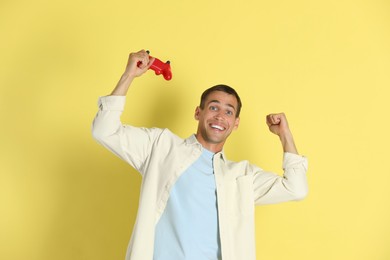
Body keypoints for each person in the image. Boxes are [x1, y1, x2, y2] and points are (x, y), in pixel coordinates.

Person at [92, 50, 308, 260]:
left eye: (229, 112)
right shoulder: (161, 147)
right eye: (214, 108)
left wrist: (284, 134)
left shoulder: (242, 176)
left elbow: (296, 188)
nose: (221, 116)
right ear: (198, 112)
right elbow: (104, 130)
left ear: (235, 124)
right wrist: (129, 75)